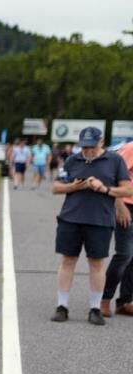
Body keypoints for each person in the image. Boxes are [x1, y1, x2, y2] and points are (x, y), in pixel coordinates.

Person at [51, 127, 133, 325]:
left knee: (96, 264)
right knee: (67, 261)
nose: (88, 150)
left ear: (101, 142)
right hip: (71, 218)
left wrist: (104, 189)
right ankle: (62, 306)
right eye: (85, 147)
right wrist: (74, 186)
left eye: (92, 146)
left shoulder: (115, 160)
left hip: (100, 220)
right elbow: (55, 187)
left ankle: (95, 308)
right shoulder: (73, 160)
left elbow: (128, 189)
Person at [101, 139, 133, 316]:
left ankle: (125, 301)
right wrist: (119, 205)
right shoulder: (130, 148)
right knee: (124, 254)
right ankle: (104, 299)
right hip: (127, 206)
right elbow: (115, 176)